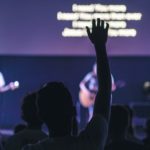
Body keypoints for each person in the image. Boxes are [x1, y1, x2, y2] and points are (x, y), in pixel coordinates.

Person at [23, 18, 112, 150]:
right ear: (73, 110)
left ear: (40, 115)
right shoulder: (90, 143)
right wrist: (100, 46)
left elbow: (104, 89)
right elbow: (105, 90)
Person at [78, 64, 116, 129]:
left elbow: (112, 87)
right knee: (91, 114)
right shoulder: (90, 75)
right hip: (91, 98)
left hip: (102, 98)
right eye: (96, 69)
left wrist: (110, 88)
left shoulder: (108, 76)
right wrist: (87, 92)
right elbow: (81, 84)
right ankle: (90, 129)